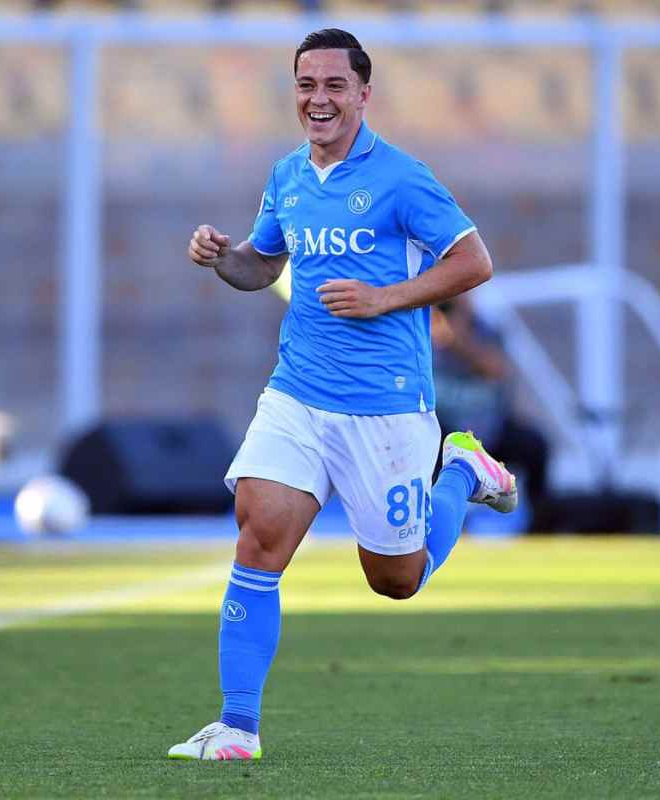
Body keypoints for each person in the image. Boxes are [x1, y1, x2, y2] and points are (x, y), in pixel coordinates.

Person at [169, 29, 516, 761]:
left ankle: (462, 471)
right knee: (258, 534)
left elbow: (474, 261)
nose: (318, 99)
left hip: (386, 405)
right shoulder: (287, 176)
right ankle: (237, 727)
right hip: (297, 392)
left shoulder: (402, 177)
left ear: (363, 94)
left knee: (396, 580)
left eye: (334, 85)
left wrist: (385, 297)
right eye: (306, 85)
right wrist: (222, 257)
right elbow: (263, 266)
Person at [431, 296, 551, 529]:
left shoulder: (486, 331)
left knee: (535, 445)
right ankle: (440, 523)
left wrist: (459, 339)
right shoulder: (422, 335)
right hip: (445, 431)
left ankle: (539, 527)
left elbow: (496, 369)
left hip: (489, 429)